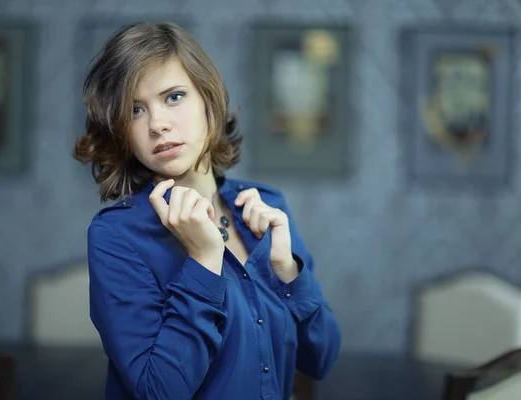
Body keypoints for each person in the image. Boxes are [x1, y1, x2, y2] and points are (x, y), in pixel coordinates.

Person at [73, 21, 341, 400]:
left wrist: (289, 273)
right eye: (135, 110)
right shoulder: (116, 236)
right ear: (120, 129)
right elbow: (158, 392)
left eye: (174, 97)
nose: (158, 124)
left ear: (208, 102)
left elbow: (321, 359)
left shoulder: (268, 207)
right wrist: (202, 260)